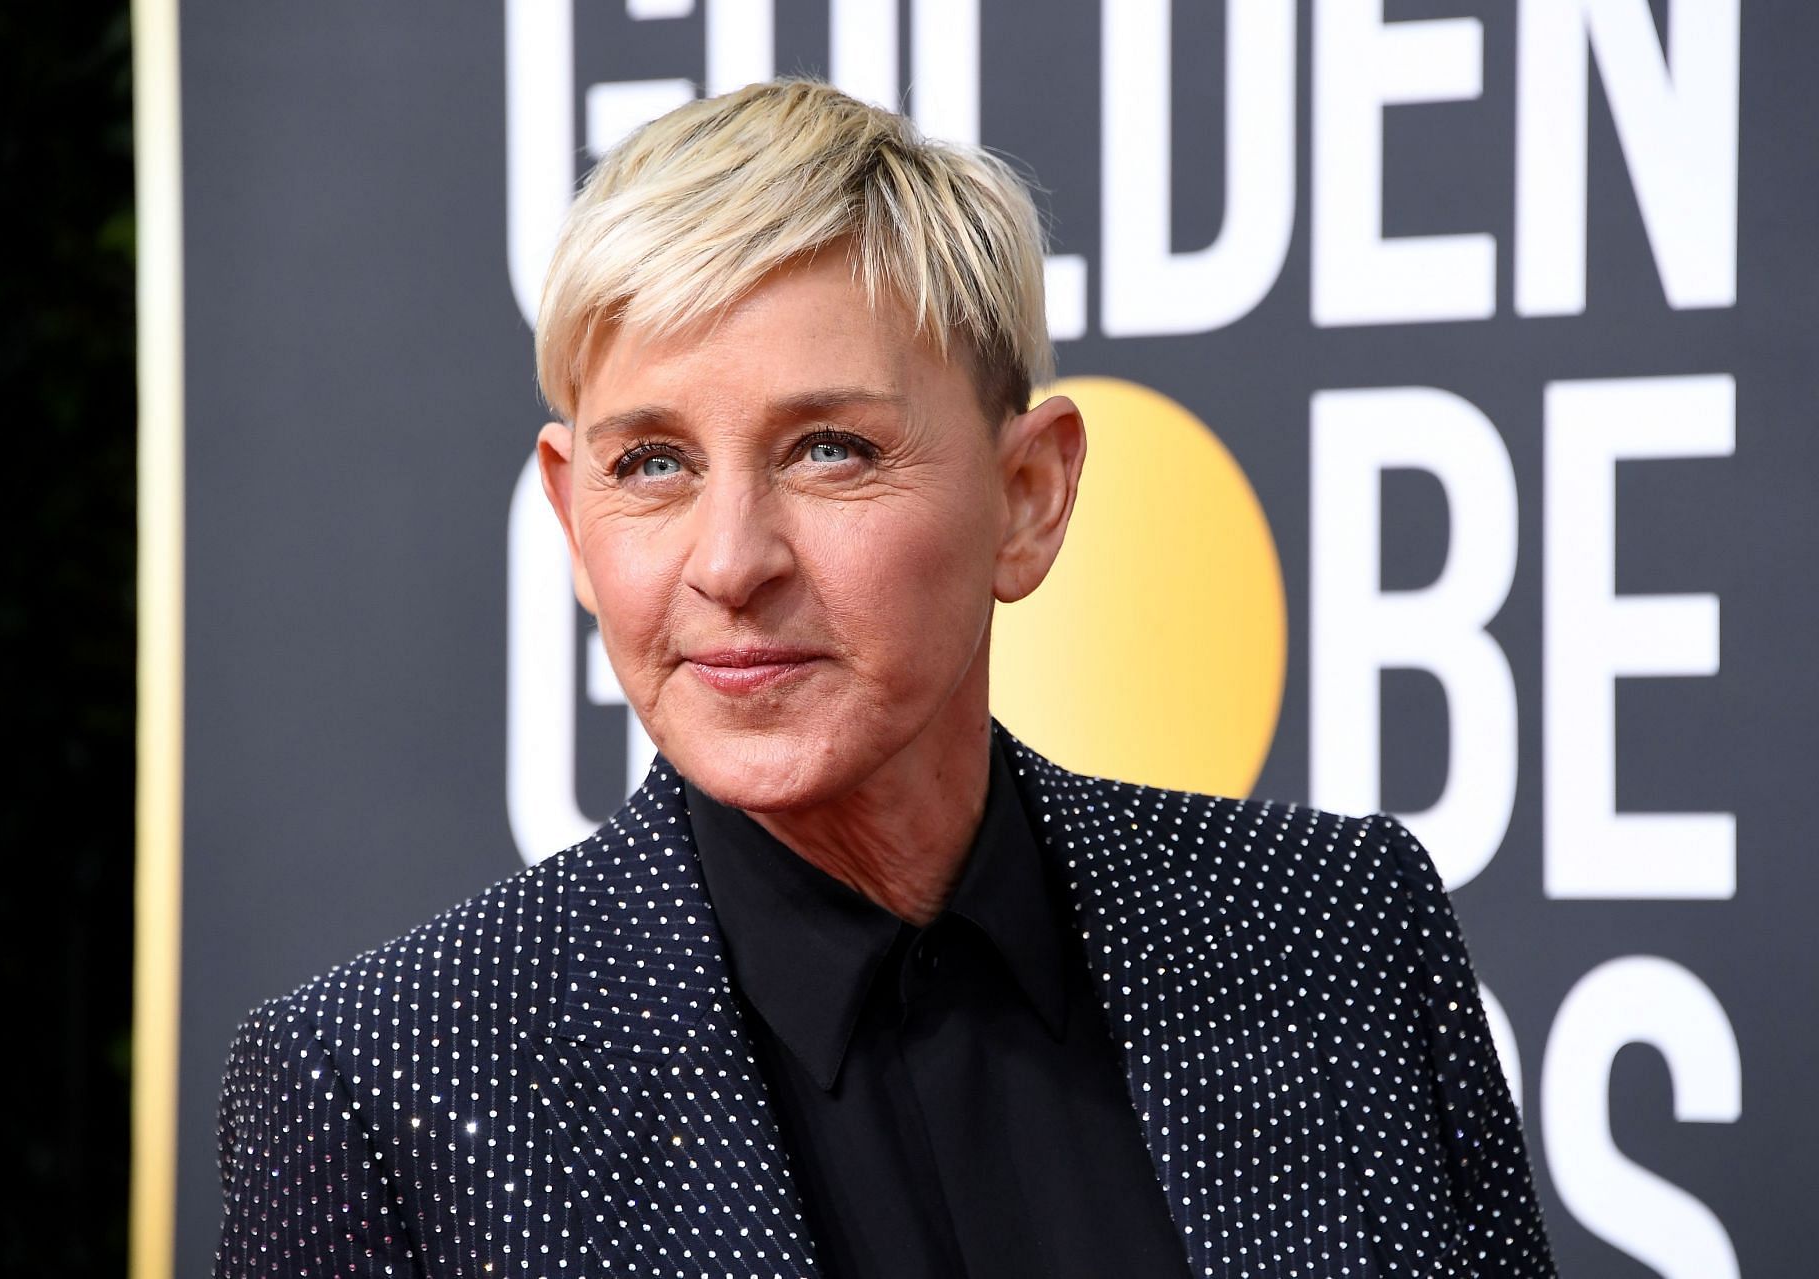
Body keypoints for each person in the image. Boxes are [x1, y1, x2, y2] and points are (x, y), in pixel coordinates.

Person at [215, 79, 1556, 1278]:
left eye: (830, 451)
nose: (730, 563)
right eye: (653, 464)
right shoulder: (380, 1091)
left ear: (1029, 496)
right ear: (572, 516)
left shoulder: (1335, 932)